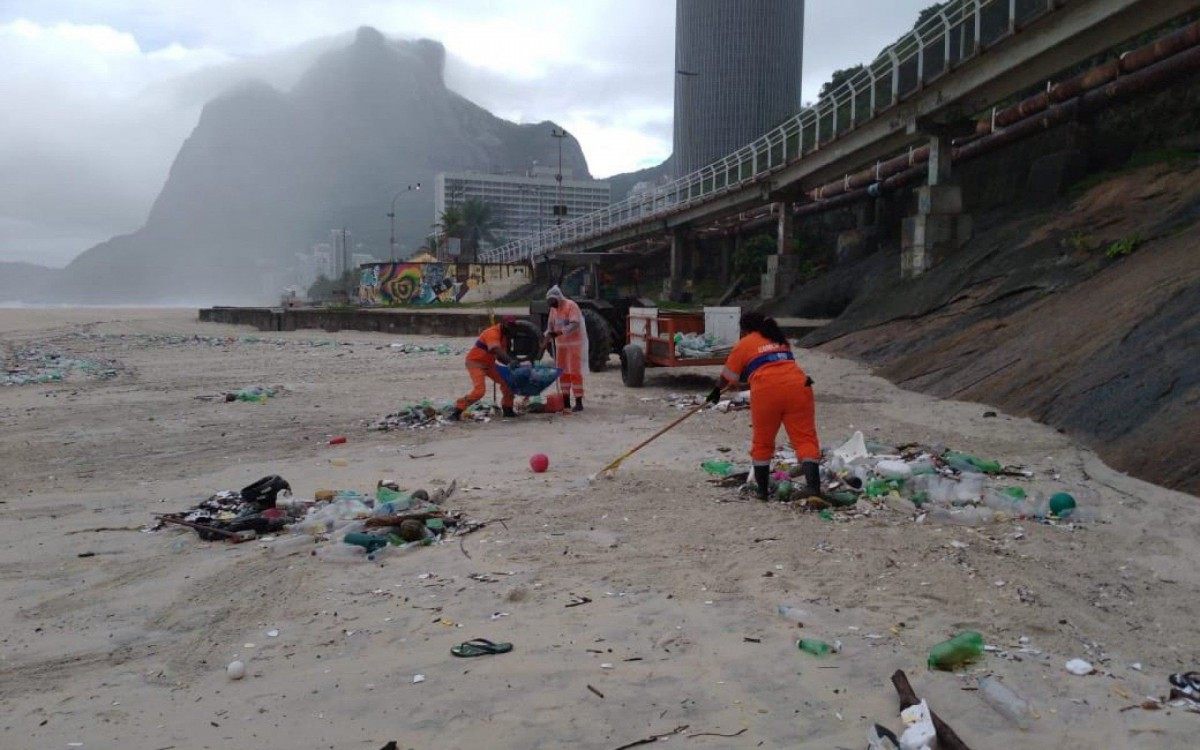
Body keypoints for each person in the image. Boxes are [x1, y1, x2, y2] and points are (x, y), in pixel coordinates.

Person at [706, 311, 821, 500]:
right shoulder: (779, 338)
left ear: (744, 329)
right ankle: (813, 489)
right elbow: (776, 366)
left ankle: (762, 492)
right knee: (805, 438)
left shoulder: (744, 343)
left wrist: (715, 392)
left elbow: (729, 378)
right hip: (800, 386)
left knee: (763, 441)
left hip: (767, 392)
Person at [452, 317, 522, 420]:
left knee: (508, 382)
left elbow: (499, 356)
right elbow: (495, 349)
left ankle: (508, 409)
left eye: (513, 326)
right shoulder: (492, 332)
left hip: (489, 364)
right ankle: (458, 409)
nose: (511, 329)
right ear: (502, 324)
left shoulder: (505, 337)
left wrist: (511, 364)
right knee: (479, 391)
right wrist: (510, 361)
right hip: (475, 363)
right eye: (509, 325)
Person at [543, 285, 588, 411]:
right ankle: (566, 400)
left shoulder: (571, 305)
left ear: (558, 298)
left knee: (574, 372)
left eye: (553, 302)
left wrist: (560, 332)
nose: (552, 305)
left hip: (573, 345)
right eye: (550, 303)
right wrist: (545, 338)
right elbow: (550, 327)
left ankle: (579, 401)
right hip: (561, 345)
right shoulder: (553, 310)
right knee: (562, 372)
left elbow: (575, 324)